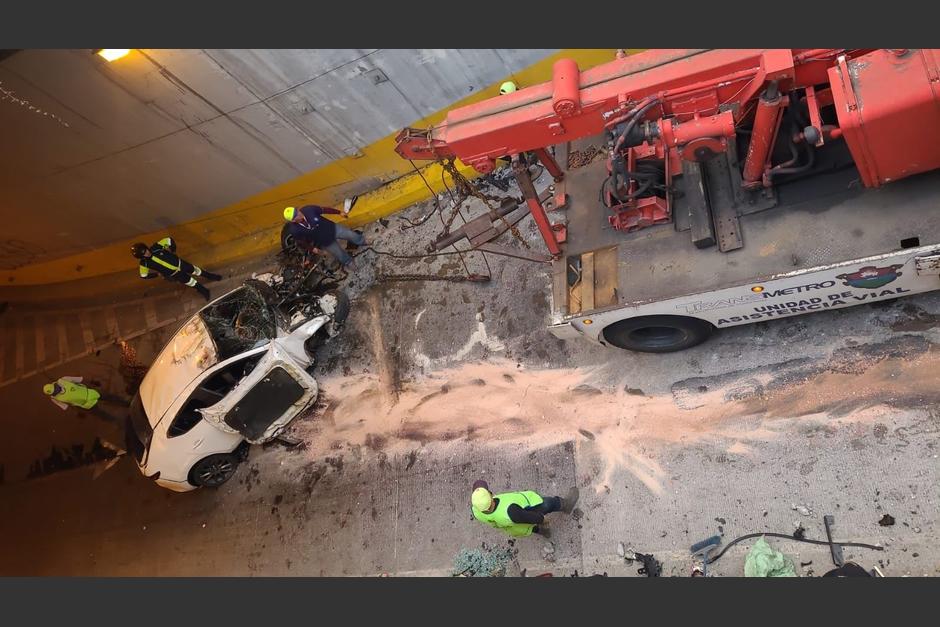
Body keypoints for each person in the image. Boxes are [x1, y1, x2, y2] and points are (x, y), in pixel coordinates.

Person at [470, 479, 579, 538]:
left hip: (515, 528)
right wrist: (543, 519)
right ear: (491, 497)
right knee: (548, 504)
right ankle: (566, 505)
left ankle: (545, 532)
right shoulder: (510, 511)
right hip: (526, 508)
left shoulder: (476, 511)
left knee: (533, 529)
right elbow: (530, 517)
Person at [132, 237, 221, 301]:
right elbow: (143, 275)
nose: (146, 253)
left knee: (197, 271)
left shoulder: (155, 248)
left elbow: (169, 240)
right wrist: (157, 274)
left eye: (146, 250)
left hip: (181, 264)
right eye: (143, 254)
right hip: (175, 274)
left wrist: (172, 250)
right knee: (191, 282)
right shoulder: (144, 264)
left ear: (146, 247)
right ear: (140, 257)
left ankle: (211, 276)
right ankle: (204, 291)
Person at [283, 205, 368, 270]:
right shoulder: (294, 230)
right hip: (325, 241)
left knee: (351, 235)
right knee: (339, 253)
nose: (299, 214)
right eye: (296, 215)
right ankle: (348, 262)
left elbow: (324, 209)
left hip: (333, 229)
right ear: (293, 220)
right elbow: (301, 241)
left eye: (297, 211)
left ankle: (362, 241)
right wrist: (312, 249)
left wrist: (339, 212)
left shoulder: (309, 210)